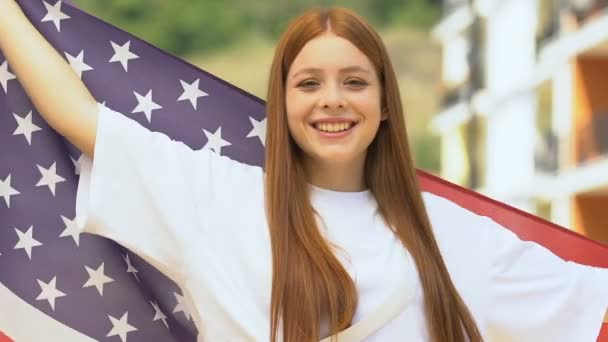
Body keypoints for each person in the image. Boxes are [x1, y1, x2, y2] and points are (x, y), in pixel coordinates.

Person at [1, 1, 607, 341]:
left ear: (386, 104)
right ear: (283, 103)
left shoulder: (450, 233)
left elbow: (591, 302)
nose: (332, 100)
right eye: (309, 83)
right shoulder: (216, 199)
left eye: (354, 82)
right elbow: (80, 118)